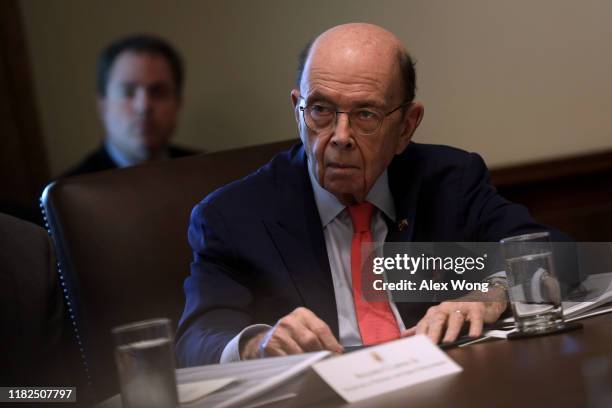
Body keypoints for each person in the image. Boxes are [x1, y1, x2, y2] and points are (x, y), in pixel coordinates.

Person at [175, 23, 569, 367]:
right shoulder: (233, 216)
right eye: (321, 110)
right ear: (298, 110)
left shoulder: (447, 181)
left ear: (406, 126)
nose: (341, 137)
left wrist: (492, 293)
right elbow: (197, 338)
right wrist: (254, 344)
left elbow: (560, 255)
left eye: (366, 115)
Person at [64, 34, 196, 177]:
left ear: (178, 104)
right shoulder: (70, 193)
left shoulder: (208, 175)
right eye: (128, 92)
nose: (143, 107)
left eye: (158, 92)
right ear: (103, 105)